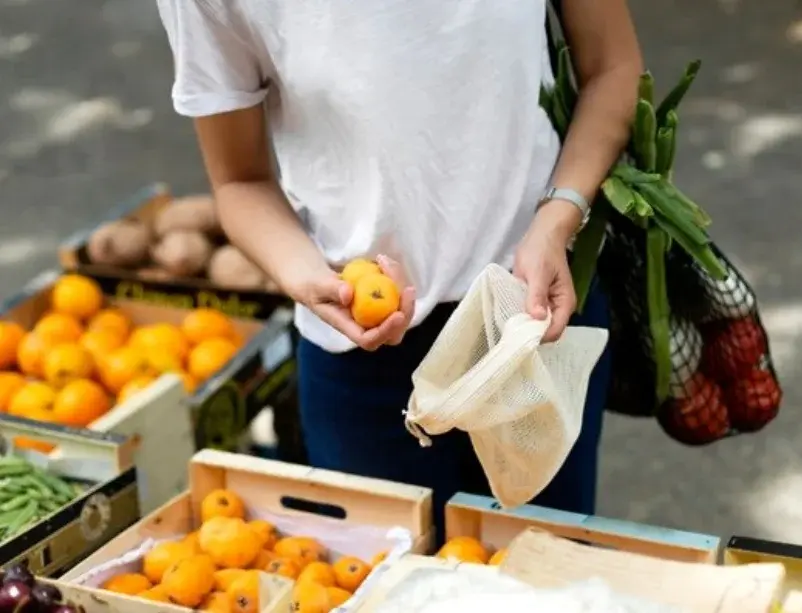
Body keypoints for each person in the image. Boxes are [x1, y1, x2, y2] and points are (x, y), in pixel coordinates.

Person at [155, 0, 643, 535]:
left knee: (548, 579)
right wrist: (309, 276)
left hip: (534, 324)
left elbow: (612, 70)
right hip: (362, 362)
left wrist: (558, 214)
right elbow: (239, 181)